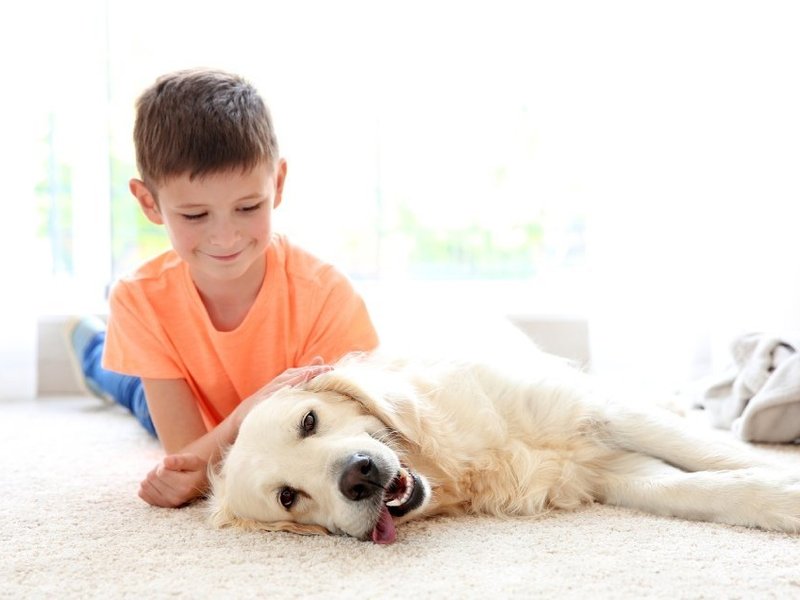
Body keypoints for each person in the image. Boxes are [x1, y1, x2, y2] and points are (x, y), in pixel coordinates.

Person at [67, 68, 379, 509]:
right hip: (199, 413)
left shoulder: (325, 295)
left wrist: (218, 441)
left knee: (134, 388)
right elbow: (184, 456)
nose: (226, 237)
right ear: (149, 203)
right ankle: (93, 351)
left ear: (278, 183)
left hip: (214, 432)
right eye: (195, 215)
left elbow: (335, 436)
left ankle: (102, 356)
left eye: (248, 207)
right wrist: (247, 411)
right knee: (132, 391)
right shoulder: (137, 298)